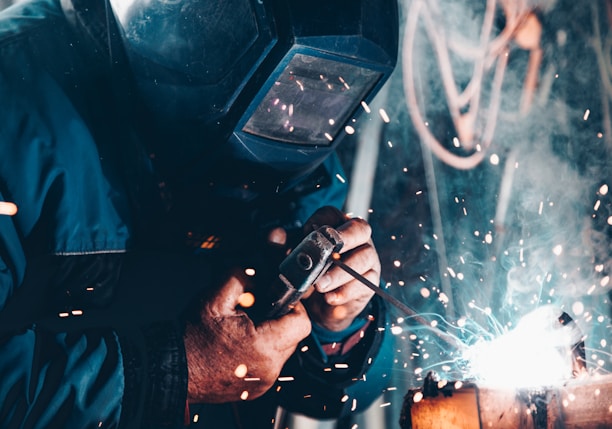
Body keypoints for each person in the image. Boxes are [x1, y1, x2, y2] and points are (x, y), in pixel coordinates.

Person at [0, 0, 398, 428]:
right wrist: (171, 373)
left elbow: (328, 399)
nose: (292, 113)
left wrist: (336, 327)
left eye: (322, 93)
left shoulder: (295, 127)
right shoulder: (16, 105)